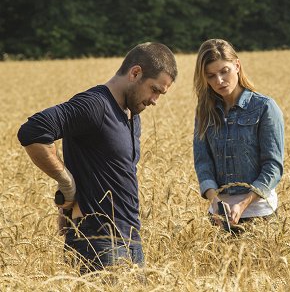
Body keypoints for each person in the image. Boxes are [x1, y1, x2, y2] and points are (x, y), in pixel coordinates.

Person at [17, 42, 178, 273]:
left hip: (131, 239)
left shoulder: (132, 114)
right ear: (135, 73)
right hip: (97, 241)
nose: (155, 100)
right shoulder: (94, 105)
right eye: (155, 90)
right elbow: (32, 131)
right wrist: (67, 184)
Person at [192, 39, 284, 233]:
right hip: (218, 217)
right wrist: (215, 201)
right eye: (211, 76)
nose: (219, 81)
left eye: (224, 71)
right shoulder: (204, 112)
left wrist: (243, 204)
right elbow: (203, 163)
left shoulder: (264, 108)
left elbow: (273, 167)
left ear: (237, 66)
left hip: (260, 215)